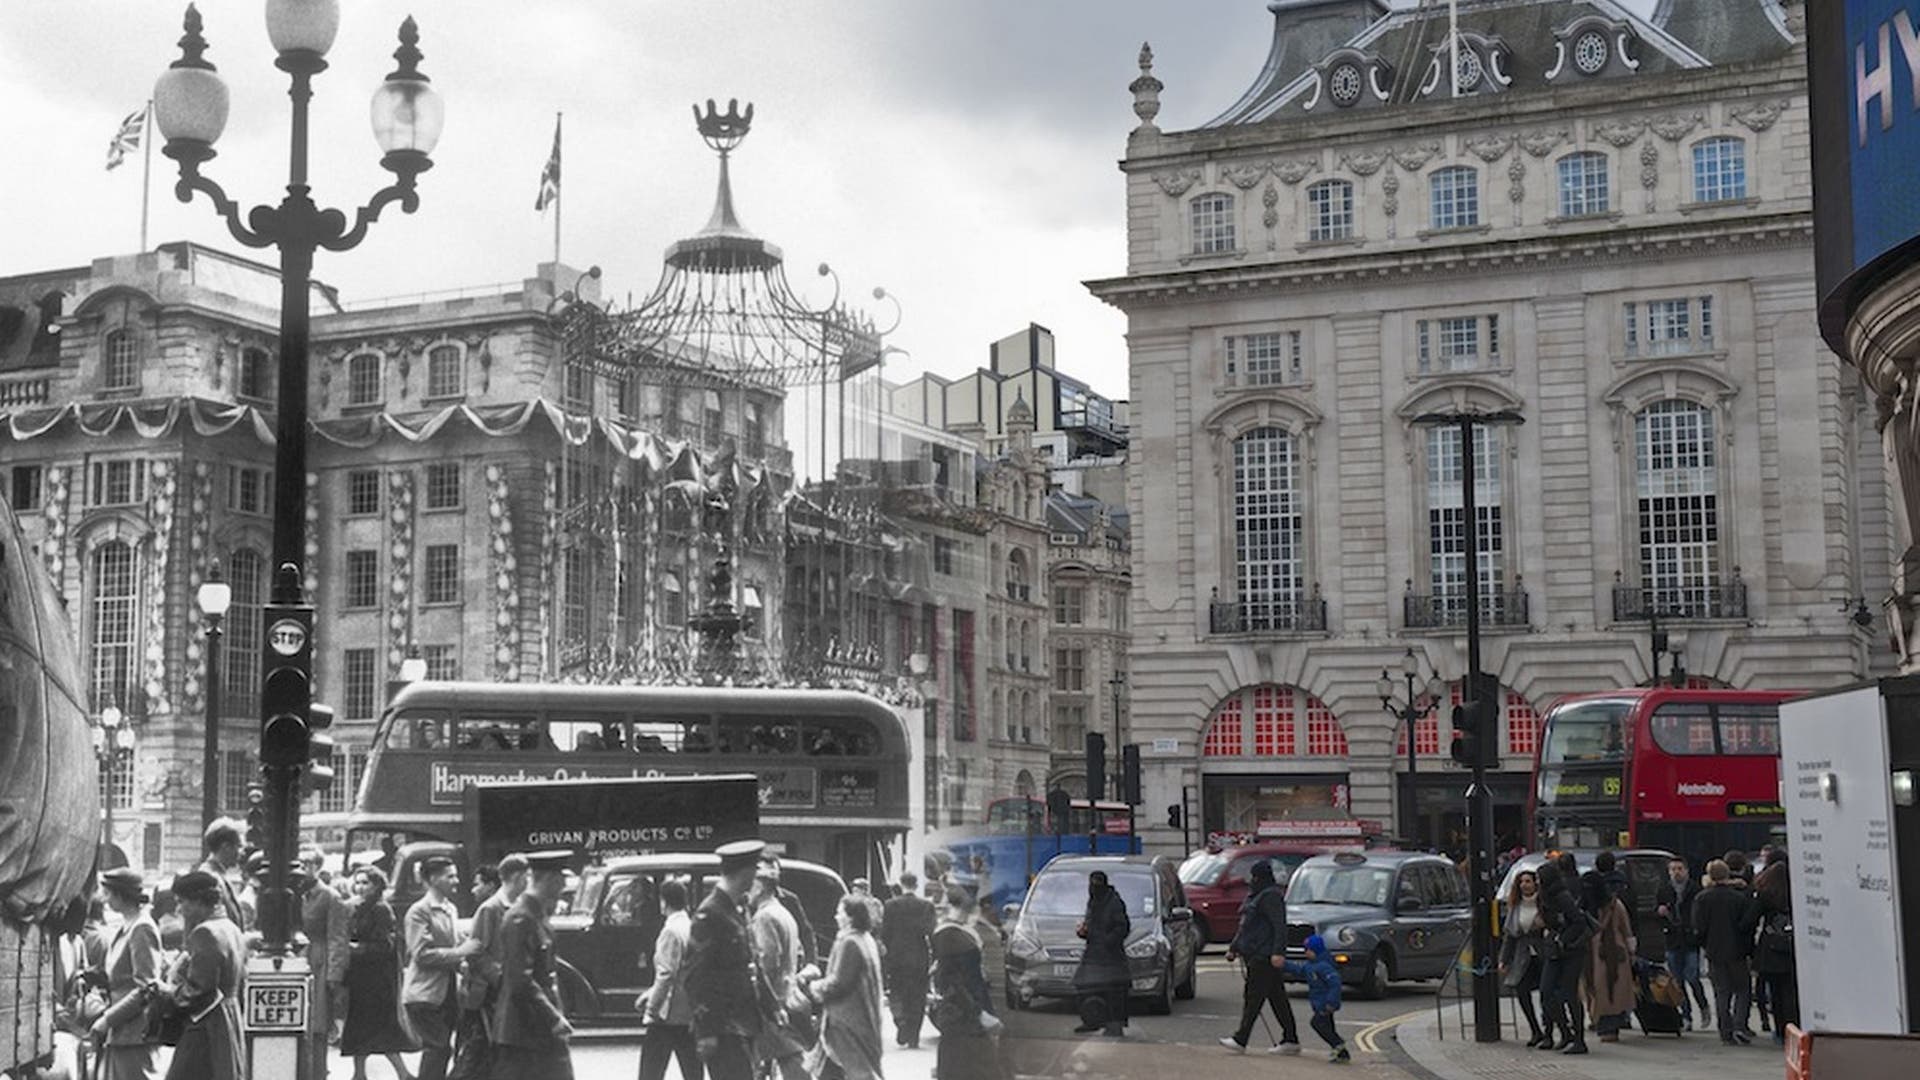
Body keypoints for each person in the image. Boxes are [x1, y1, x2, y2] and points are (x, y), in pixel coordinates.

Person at [684, 840, 767, 1080]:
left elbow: (749, 967)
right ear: (746, 872)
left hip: (742, 1022)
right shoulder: (710, 913)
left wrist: (770, 1008)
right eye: (754, 870)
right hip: (724, 1027)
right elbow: (696, 976)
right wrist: (707, 1030)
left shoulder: (735, 909)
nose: (755, 877)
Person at [492, 850, 574, 1080]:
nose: (564, 885)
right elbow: (521, 980)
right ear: (549, 879)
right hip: (523, 1031)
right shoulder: (521, 918)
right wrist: (553, 1017)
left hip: (537, 1030)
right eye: (561, 879)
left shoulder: (535, 915)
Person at [159, 870, 247, 1080]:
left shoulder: (205, 933)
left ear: (199, 901)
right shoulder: (231, 928)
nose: (179, 909)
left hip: (206, 1024)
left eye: (182, 902)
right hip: (229, 1017)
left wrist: (169, 993)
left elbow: (198, 990)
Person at [405, 856, 483, 1080]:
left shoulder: (450, 909)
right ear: (432, 879)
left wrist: (464, 961)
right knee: (438, 1048)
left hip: (447, 992)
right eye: (450, 876)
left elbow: (456, 945)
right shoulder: (419, 911)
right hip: (424, 994)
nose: (456, 880)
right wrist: (461, 952)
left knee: (446, 1049)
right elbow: (421, 954)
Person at [452, 854, 526, 1080]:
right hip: (487, 996)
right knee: (475, 1054)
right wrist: (500, 978)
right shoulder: (490, 909)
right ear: (515, 877)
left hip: (509, 994)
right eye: (527, 876)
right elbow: (477, 952)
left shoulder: (521, 907)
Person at [341, 866, 419, 1080]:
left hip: (377, 977)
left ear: (377, 885)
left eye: (366, 882)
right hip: (362, 976)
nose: (360, 887)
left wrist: (356, 948)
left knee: (379, 1026)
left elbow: (386, 945)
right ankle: (360, 1073)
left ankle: (401, 1073)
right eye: (358, 882)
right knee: (361, 1025)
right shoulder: (358, 907)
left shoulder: (380, 909)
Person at [1218, 859, 1300, 1054]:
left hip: (1263, 956)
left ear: (1261, 877)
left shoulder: (1271, 896)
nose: (1251, 880)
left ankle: (1241, 1039)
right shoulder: (1256, 896)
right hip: (1255, 953)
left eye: (1254, 877)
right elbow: (1246, 927)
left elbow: (1279, 926)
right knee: (1277, 999)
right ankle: (1291, 1039)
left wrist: (1278, 952)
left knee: (1253, 998)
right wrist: (1234, 947)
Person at [88, 868, 161, 1080]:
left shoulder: (142, 928)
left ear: (121, 895)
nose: (105, 899)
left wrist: (107, 1020)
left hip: (135, 1033)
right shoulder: (127, 926)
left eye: (109, 894)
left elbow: (147, 988)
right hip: (123, 1032)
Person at [804, 895, 887, 1080]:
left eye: (839, 912)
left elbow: (839, 983)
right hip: (861, 1017)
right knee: (830, 1068)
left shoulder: (849, 942)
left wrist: (815, 987)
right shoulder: (866, 939)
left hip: (846, 1021)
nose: (836, 917)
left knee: (859, 1071)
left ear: (850, 917)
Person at [929, 890, 1008, 1080]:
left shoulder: (949, 934)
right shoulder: (954, 937)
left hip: (959, 1012)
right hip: (964, 1013)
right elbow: (959, 982)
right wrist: (981, 1012)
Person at [749, 866, 808, 1080]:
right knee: (782, 1059)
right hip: (787, 993)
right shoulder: (784, 913)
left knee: (784, 1058)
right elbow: (799, 953)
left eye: (751, 885)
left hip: (772, 1000)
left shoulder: (764, 917)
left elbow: (766, 962)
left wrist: (760, 995)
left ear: (761, 887)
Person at [640, 877, 702, 1080]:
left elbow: (666, 974)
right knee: (692, 1069)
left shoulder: (670, 931)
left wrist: (652, 1007)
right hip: (687, 1009)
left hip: (666, 1014)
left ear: (664, 902)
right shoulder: (690, 926)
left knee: (651, 1070)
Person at [299, 846, 351, 1076]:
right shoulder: (295, 893)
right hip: (300, 958)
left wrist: (334, 975)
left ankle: (318, 1071)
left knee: (318, 1024)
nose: (302, 869)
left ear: (318, 867)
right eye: (299, 863)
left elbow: (338, 937)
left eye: (307, 864)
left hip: (319, 960)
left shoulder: (330, 896)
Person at [1693, 858, 1756, 1045]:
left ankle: (1725, 1031)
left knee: (1722, 992)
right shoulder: (1738, 898)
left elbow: (1698, 927)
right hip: (1737, 950)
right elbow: (1746, 925)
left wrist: (1705, 944)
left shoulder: (1702, 898)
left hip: (1714, 950)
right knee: (1743, 990)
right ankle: (1739, 1025)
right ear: (1727, 874)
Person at [1536, 860, 1590, 1055]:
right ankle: (1565, 1030)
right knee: (1546, 992)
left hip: (1572, 950)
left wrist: (1562, 938)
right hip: (1554, 949)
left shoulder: (1562, 896)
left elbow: (1579, 921)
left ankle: (1579, 1039)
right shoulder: (1544, 898)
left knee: (1569, 994)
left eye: (1539, 879)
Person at [1582, 852, 1636, 1041]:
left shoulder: (1585, 907)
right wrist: (1632, 951)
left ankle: (1597, 1020)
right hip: (1615, 948)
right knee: (1615, 988)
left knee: (1596, 987)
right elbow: (1627, 928)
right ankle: (1613, 1024)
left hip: (1592, 950)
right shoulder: (1616, 902)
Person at [878, 871, 936, 1049]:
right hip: (919, 957)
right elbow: (930, 932)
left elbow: (884, 933)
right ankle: (914, 1037)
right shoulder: (926, 906)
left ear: (901, 884)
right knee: (917, 997)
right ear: (916, 885)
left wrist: (885, 953)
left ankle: (900, 1020)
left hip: (896, 957)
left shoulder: (890, 905)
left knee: (896, 992)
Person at [1071, 869, 1130, 1038]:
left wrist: (1107, 940)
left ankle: (1114, 1024)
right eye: (1091, 883)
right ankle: (1091, 1020)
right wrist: (1084, 931)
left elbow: (1123, 927)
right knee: (1084, 986)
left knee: (1113, 992)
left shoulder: (1114, 902)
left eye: (1096, 883)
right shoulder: (1093, 901)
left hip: (1111, 956)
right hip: (1093, 953)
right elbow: (1091, 923)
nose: (1093, 887)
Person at [1655, 856, 1710, 1032]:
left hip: (1690, 939)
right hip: (1673, 939)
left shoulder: (1695, 889)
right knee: (1677, 981)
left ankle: (1703, 1006)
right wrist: (1661, 915)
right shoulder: (1664, 890)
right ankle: (1686, 1015)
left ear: (1686, 870)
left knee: (1692, 977)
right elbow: (1658, 913)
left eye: (1679, 869)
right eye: (1673, 869)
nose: (1676, 872)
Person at [1499, 868, 1551, 1048]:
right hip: (1523, 956)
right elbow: (1510, 937)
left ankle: (1550, 1032)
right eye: (1521, 882)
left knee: (1547, 993)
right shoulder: (1515, 907)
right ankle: (1536, 1030)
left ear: (1535, 883)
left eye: (1528, 881)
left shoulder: (1544, 904)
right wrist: (1504, 960)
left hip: (1543, 953)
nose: (1524, 885)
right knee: (1522, 991)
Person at [1751, 856, 1798, 1043]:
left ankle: (1780, 1030)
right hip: (1792, 947)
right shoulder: (1796, 891)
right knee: (1791, 991)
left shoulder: (1766, 894)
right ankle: (1794, 1027)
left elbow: (1750, 919)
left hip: (1771, 949)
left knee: (1775, 993)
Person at [1283, 935, 1349, 1065]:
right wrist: (1284, 964)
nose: (1306, 952)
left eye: (1308, 950)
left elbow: (1335, 984)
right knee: (1328, 1027)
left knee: (1317, 1024)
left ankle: (1338, 1044)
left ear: (1316, 951)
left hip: (1325, 1004)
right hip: (1319, 1003)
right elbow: (1299, 970)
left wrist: (1331, 1002)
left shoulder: (1324, 966)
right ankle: (1342, 1053)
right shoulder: (1311, 965)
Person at [761, 855, 819, 969]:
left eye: (773, 871)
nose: (770, 875)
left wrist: (810, 964)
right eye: (766, 872)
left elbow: (805, 932)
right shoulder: (750, 900)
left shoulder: (790, 900)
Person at [197, 819, 248, 929]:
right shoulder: (208, 878)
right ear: (226, 847)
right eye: (239, 846)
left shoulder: (219, 874)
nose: (242, 852)